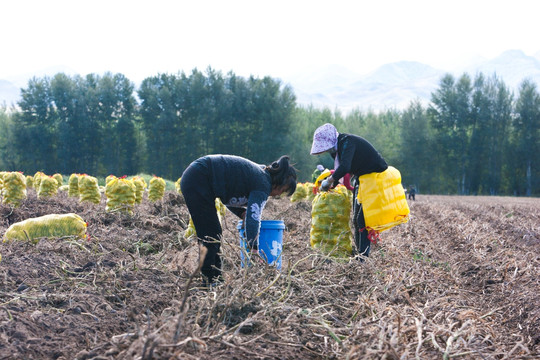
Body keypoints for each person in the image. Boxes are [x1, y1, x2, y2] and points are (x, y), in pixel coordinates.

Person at [180, 154, 297, 286]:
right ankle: (209, 279)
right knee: (210, 233)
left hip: (198, 176)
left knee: (213, 232)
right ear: (279, 184)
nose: (278, 195)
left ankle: (215, 278)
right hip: (199, 177)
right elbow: (254, 216)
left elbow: (230, 197)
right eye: (282, 191)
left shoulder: (260, 176)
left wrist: (241, 213)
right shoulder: (263, 183)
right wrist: (253, 248)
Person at [310, 123, 388, 258]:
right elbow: (345, 169)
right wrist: (331, 184)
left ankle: (363, 257)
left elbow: (345, 167)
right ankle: (359, 253)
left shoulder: (347, 142)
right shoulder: (338, 148)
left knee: (362, 219)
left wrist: (329, 181)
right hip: (362, 178)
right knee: (356, 219)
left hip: (374, 178)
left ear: (329, 141)